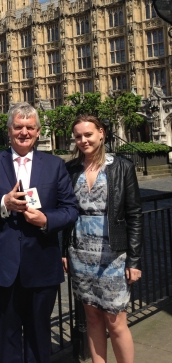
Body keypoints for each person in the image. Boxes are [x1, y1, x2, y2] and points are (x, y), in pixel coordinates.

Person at [0, 102, 78, 363]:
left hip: (42, 264)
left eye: (30, 127)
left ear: (38, 131)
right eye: (18, 127)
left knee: (38, 336)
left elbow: (70, 209)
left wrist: (46, 219)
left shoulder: (55, 165)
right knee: (4, 337)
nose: (24, 132)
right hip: (2, 266)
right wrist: (3, 203)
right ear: (8, 130)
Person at [63, 115, 143, 363]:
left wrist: (134, 261)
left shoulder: (121, 167)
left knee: (116, 321)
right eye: (78, 136)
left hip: (113, 255)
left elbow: (134, 215)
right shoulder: (71, 169)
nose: (83, 140)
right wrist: (64, 251)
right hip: (80, 254)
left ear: (101, 133)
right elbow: (67, 213)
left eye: (88, 134)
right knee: (93, 318)